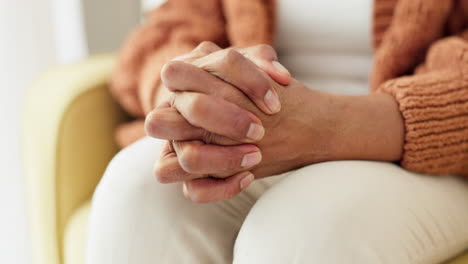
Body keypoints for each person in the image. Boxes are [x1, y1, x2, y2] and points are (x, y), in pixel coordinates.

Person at [86, 0, 468, 263]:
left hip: (422, 148)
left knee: (306, 229)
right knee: (138, 189)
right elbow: (171, 27)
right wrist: (188, 90)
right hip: (261, 128)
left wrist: (325, 125)